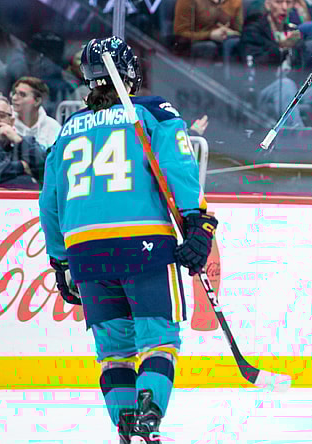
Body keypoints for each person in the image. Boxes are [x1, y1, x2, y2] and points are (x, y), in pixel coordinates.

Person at [39, 37, 218, 444]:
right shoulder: (153, 112)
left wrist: (60, 261)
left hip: (85, 251)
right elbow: (178, 168)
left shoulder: (65, 130)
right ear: (132, 73)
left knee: (114, 352)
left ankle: (125, 428)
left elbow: (49, 201)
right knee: (159, 340)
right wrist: (196, 221)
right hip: (142, 244)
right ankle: (149, 417)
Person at [0, 94, 46, 189]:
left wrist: (18, 140)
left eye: (1, 116)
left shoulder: (27, 143)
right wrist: (21, 166)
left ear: (11, 121)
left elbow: (45, 168)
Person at [10, 76, 62, 147]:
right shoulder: (5, 122)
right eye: (14, 93)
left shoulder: (53, 128)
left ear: (37, 101)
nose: (14, 98)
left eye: (22, 95)